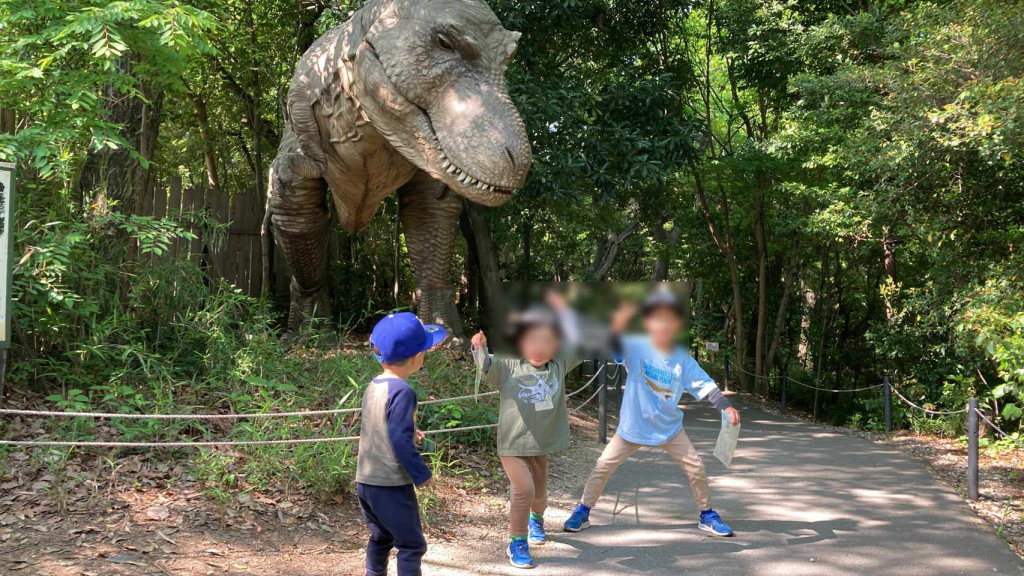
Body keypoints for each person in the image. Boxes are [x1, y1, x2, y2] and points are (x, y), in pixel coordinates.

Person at [563, 287, 740, 537]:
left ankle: (707, 514)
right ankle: (583, 510)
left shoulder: (682, 359)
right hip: (632, 427)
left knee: (696, 468)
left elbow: (705, 385)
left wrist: (726, 406)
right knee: (603, 466)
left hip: (669, 429)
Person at [470, 292, 582, 569]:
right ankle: (517, 542)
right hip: (512, 443)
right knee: (524, 489)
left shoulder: (558, 364)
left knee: (539, 496)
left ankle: (536, 520)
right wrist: (479, 347)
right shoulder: (509, 364)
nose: (538, 349)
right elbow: (486, 365)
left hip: (540, 444)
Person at [355, 312, 447, 576]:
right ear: (416, 357)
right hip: (391, 483)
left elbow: (379, 424)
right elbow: (398, 439)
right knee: (411, 545)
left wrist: (410, 430)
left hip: (366, 480)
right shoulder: (403, 391)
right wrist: (422, 474)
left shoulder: (374, 385)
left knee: (381, 537)